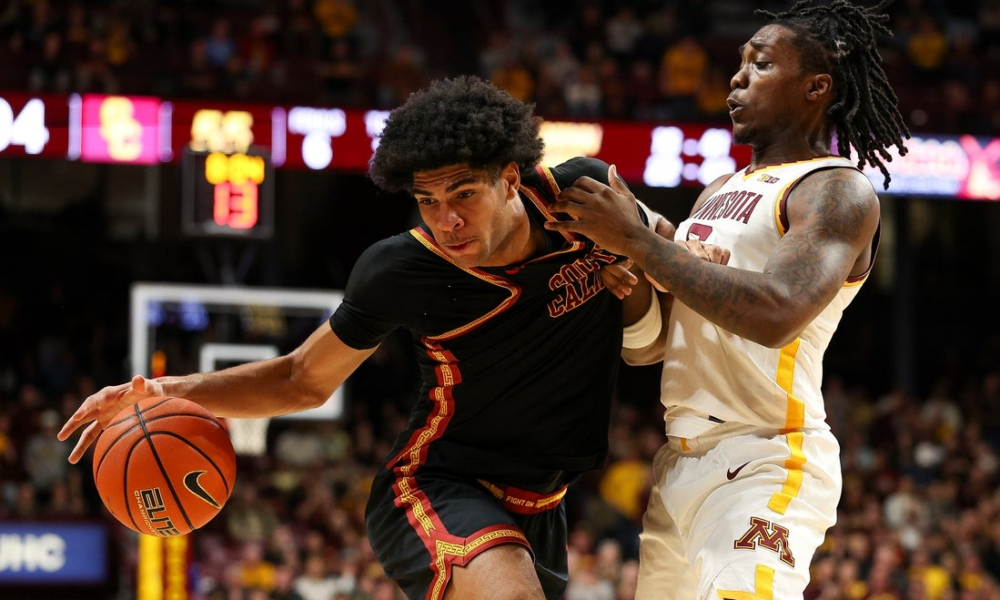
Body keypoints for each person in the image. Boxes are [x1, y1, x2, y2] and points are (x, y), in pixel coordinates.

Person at [57, 76, 714, 600]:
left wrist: (648, 274)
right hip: (437, 484)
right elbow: (301, 379)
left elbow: (654, 325)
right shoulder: (400, 269)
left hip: (544, 501)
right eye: (428, 201)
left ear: (511, 178)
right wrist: (164, 391)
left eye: (464, 194)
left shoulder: (585, 198)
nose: (447, 219)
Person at [544, 1, 910, 598]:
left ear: (816, 87)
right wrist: (626, 272)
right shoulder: (717, 191)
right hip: (680, 462)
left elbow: (776, 312)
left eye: (760, 64)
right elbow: (650, 347)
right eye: (739, 62)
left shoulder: (835, 190)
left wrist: (640, 241)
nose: (737, 77)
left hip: (766, 457)